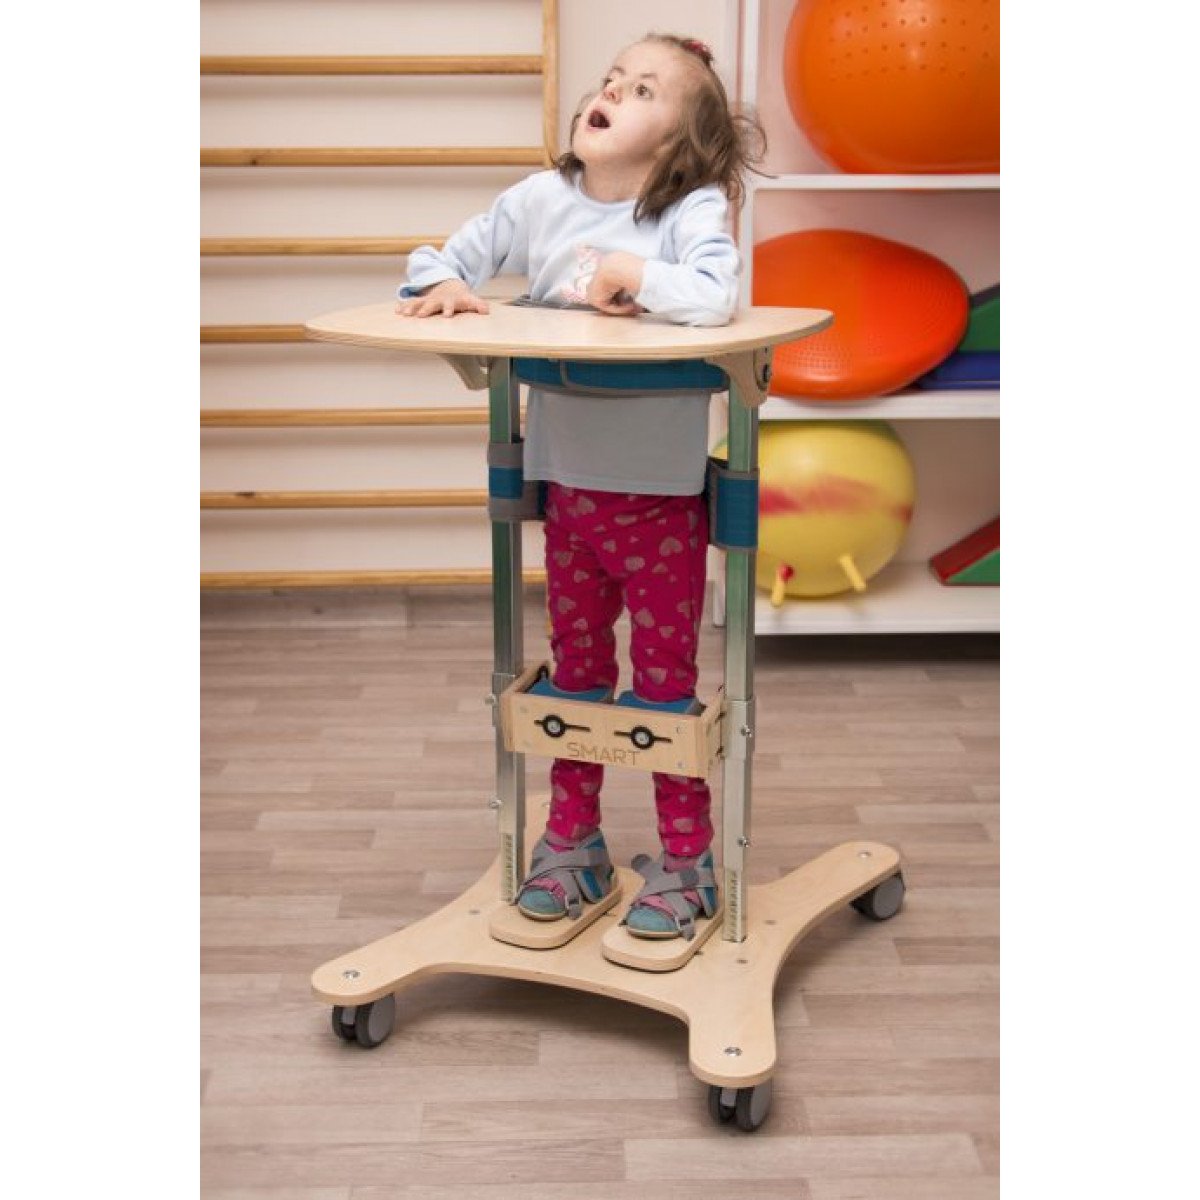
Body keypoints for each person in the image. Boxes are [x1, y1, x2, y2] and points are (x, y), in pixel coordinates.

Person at [397, 33, 764, 940]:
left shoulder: (688, 209)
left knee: (664, 693)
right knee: (576, 683)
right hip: (568, 496)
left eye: (643, 90)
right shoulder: (540, 200)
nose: (613, 91)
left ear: (679, 140)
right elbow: (439, 257)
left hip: (662, 501)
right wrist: (445, 284)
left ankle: (688, 860)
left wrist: (637, 275)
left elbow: (716, 294)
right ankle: (573, 845)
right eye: (611, 80)